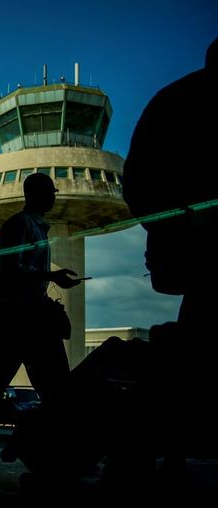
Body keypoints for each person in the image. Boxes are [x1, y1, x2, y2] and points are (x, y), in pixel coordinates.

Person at [116, 36, 218, 478]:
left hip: (186, 250)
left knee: (195, 338)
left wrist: (168, 230)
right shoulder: (191, 100)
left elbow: (137, 186)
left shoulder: (170, 100)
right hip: (199, 247)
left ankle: (149, 445)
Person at [0, 173, 82, 460]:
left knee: (48, 387)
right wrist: (51, 276)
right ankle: (33, 439)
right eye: (51, 191)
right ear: (37, 194)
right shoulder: (22, 225)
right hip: (18, 322)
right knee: (48, 386)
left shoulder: (35, 227)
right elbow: (10, 269)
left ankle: (30, 438)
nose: (55, 196)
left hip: (24, 320)